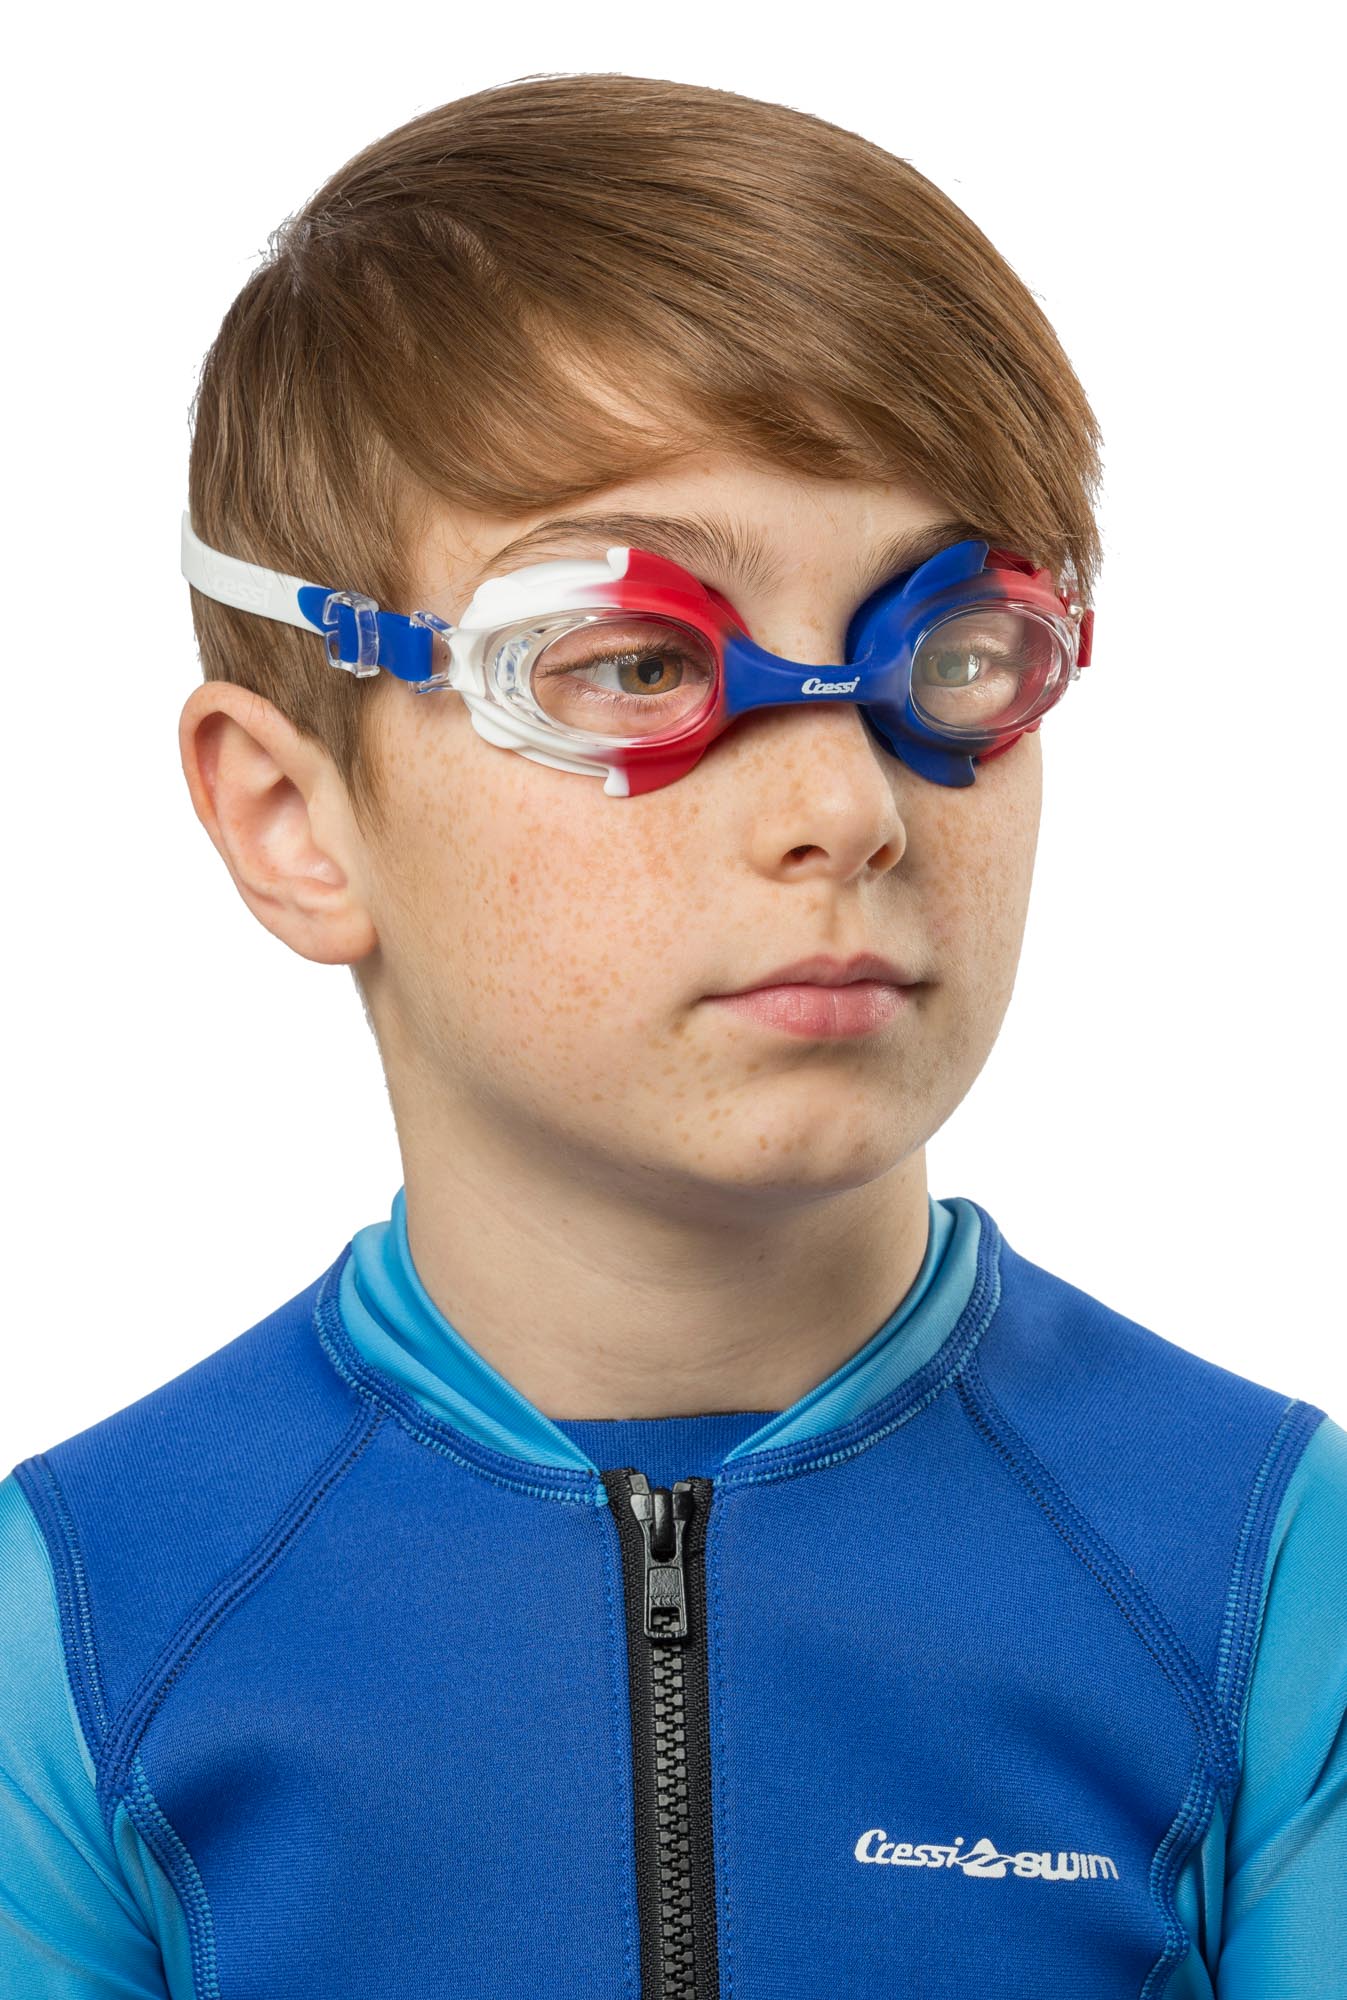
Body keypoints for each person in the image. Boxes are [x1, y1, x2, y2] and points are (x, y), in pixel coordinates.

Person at [2, 71, 1342, 1999]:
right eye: (637, 663)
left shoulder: (1264, 1578)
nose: (848, 810)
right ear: (294, 817)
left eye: (953, 651)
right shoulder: (90, 1625)